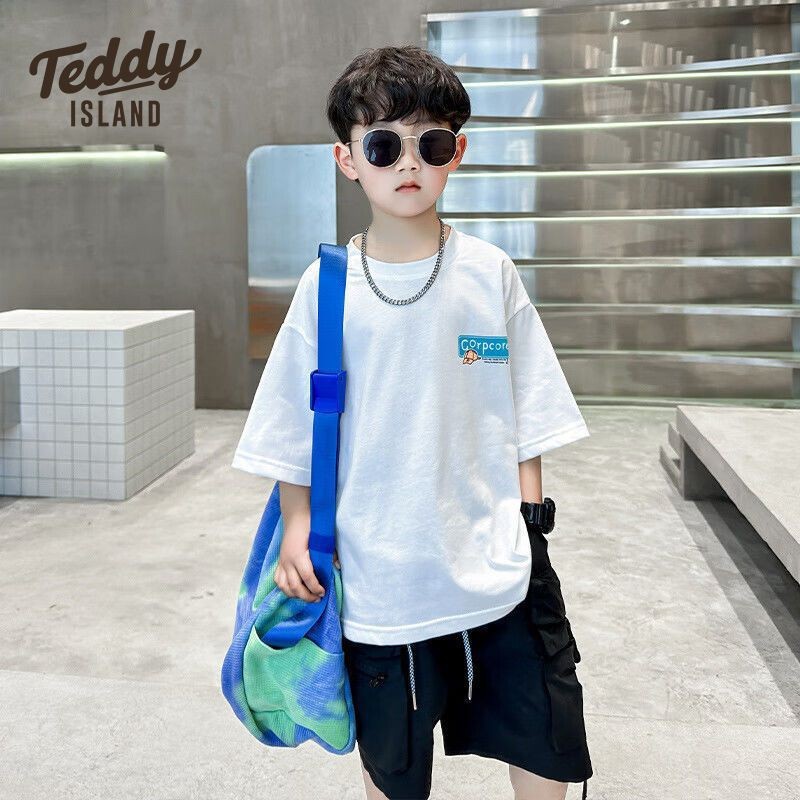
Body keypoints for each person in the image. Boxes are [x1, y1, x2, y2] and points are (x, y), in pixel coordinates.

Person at [231, 44, 593, 800]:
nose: (408, 164)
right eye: (382, 145)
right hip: (379, 571)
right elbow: (293, 420)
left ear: (456, 153)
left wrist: (530, 521)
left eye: (430, 144)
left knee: (545, 727)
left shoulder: (488, 272)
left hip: (499, 558)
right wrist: (297, 526)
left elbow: (526, 407)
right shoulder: (327, 287)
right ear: (347, 159)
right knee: (393, 758)